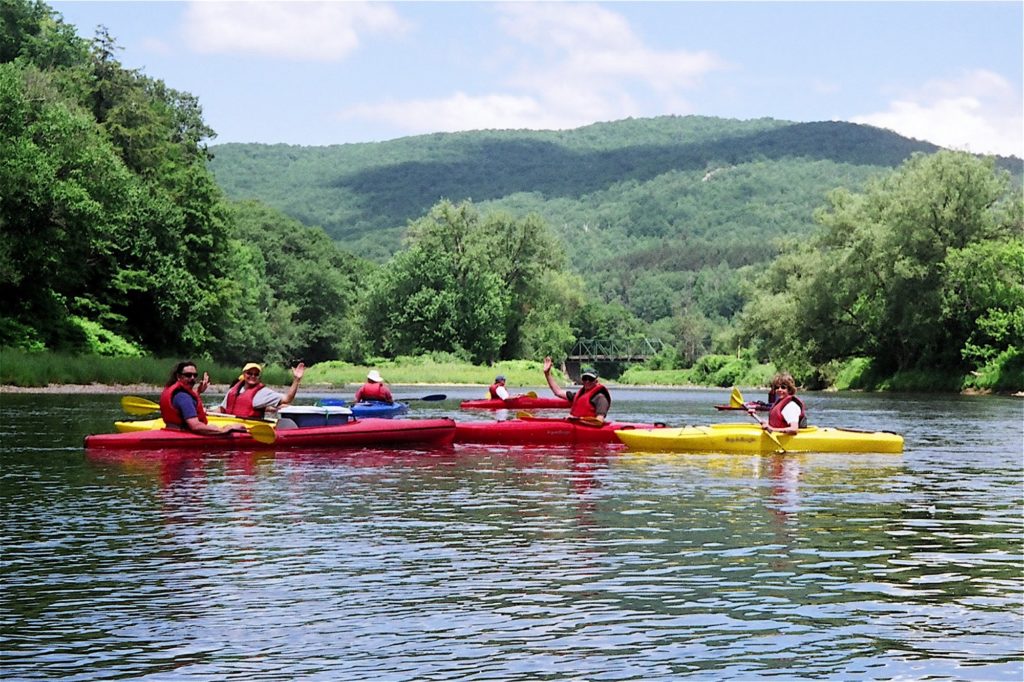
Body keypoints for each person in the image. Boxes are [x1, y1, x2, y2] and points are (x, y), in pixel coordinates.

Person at [159, 361, 247, 435]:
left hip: (171, 431)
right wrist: (225, 429)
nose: (192, 378)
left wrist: (198, 391)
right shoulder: (183, 397)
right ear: (178, 376)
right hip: (183, 434)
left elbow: (186, 404)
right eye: (188, 375)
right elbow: (195, 426)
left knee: (213, 426)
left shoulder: (178, 394)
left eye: (195, 375)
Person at [210, 361, 305, 419]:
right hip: (230, 425)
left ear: (259, 377)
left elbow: (287, 399)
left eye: (256, 374)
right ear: (244, 374)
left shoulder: (263, 392)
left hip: (250, 429)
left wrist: (296, 380)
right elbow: (222, 409)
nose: (252, 376)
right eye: (249, 373)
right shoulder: (233, 390)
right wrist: (205, 412)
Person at [542, 356, 610, 421]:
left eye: (590, 379)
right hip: (576, 427)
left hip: (588, 430)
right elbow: (558, 392)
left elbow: (599, 421)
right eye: (585, 378)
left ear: (596, 381)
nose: (587, 381)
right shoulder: (579, 395)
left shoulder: (601, 398)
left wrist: (578, 419)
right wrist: (547, 374)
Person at [754, 371, 807, 435]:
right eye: (777, 387)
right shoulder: (780, 402)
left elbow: (794, 429)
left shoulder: (790, 406)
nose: (779, 389)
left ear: (789, 389)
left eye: (783, 387)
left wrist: (772, 429)